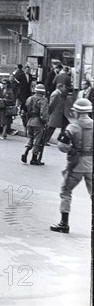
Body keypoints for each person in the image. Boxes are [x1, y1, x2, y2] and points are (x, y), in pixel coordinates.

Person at [50, 98, 93, 234]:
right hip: (91, 165)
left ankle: (64, 223)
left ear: (77, 112)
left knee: (66, 191)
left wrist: (70, 150)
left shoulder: (73, 127)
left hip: (76, 165)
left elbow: (62, 145)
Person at [20, 84, 48, 165]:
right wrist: (45, 121)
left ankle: (25, 152)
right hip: (38, 121)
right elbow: (43, 113)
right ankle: (34, 158)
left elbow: (25, 110)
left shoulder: (29, 98)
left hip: (30, 120)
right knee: (37, 140)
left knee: (31, 138)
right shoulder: (43, 100)